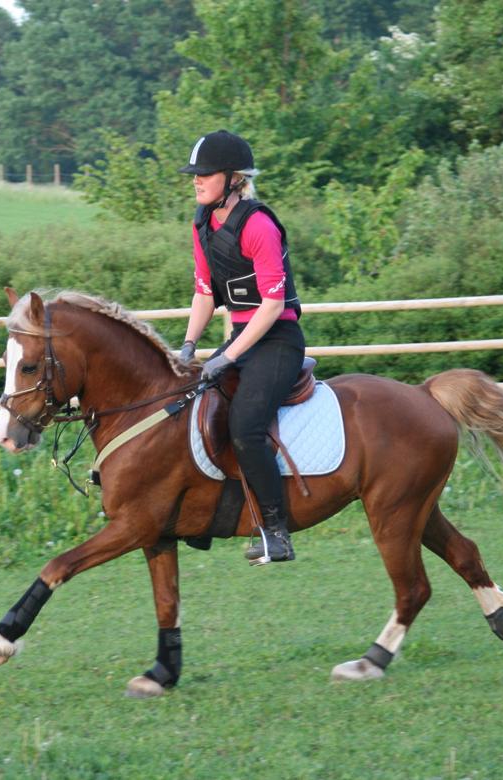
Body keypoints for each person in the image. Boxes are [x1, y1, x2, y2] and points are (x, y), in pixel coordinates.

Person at [177, 129, 306, 565]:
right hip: (241, 342)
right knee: (189, 409)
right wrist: (189, 347)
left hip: (277, 343)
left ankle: (276, 532)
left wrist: (228, 356)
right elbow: (204, 295)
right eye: (194, 175)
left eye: (205, 174)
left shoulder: (259, 226)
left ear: (233, 179)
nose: (196, 181)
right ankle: (201, 514)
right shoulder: (202, 223)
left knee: (247, 425)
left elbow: (271, 306)